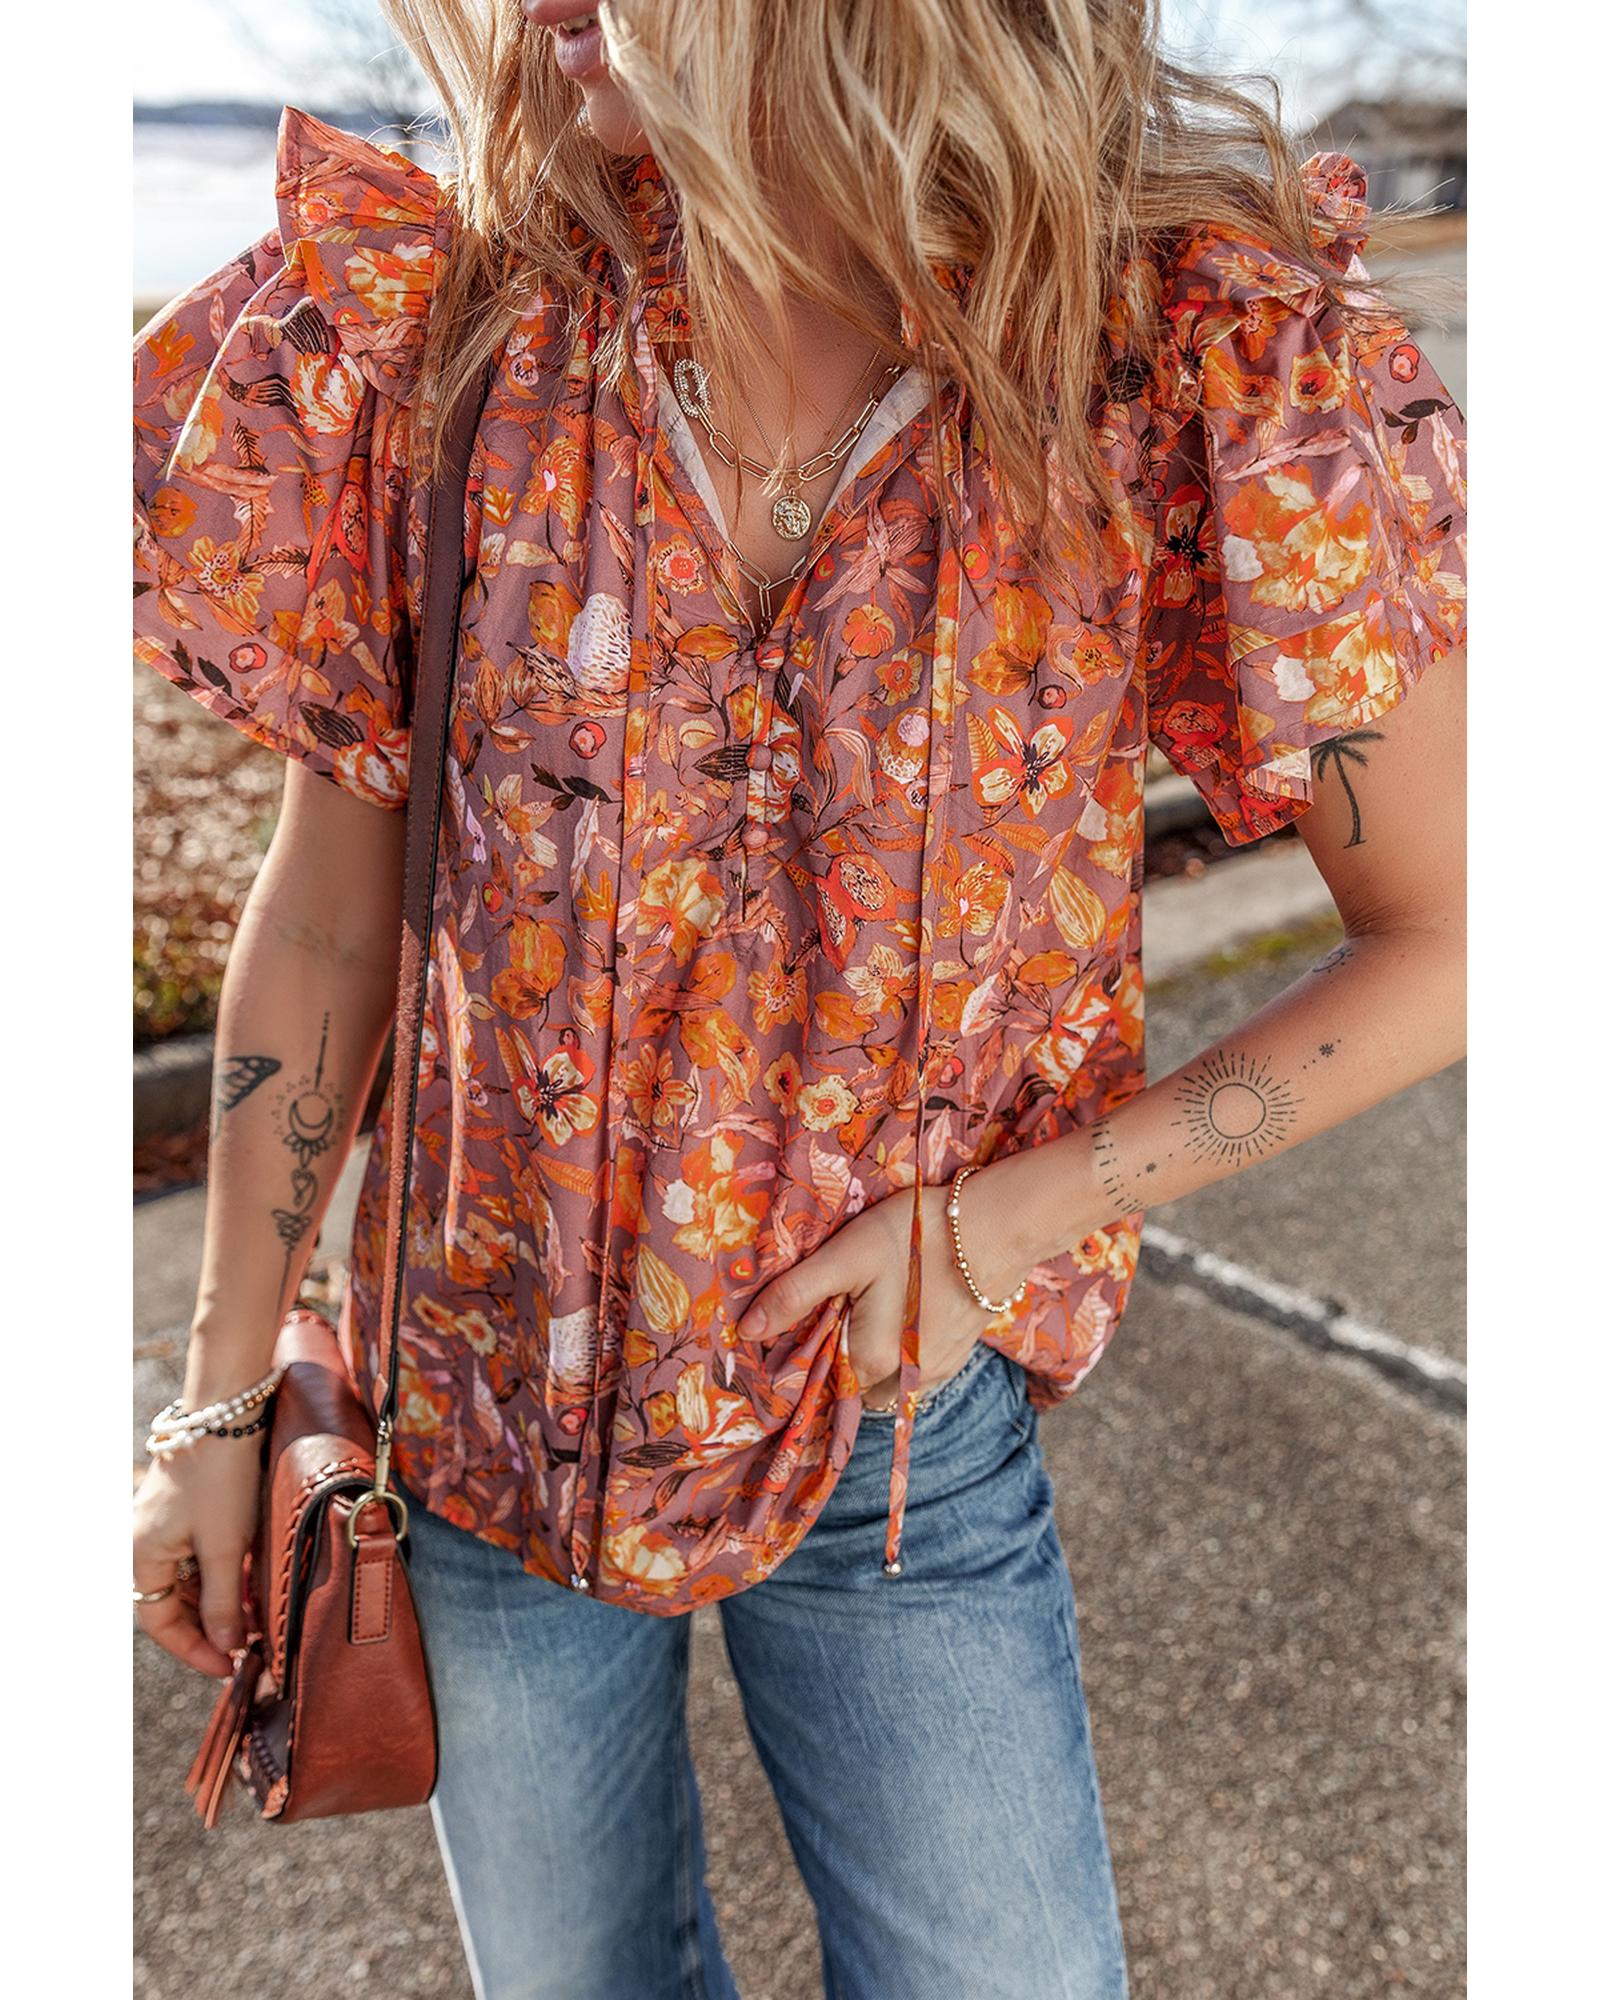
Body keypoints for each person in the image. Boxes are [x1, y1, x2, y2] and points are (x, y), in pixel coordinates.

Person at [131, 2, 1467, 1995]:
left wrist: (1021, 1215)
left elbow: (1452, 934)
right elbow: (330, 920)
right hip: (468, 1425)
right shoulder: (453, 341)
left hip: (891, 1442)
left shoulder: (1170, 363)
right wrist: (220, 1402)